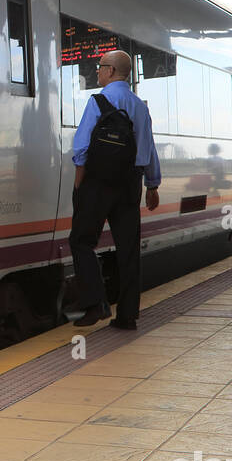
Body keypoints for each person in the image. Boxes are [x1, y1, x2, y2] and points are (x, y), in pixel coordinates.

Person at [69, 49, 162, 330]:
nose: (96, 71)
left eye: (99, 67)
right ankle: (127, 315)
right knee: (128, 249)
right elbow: (148, 147)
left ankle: (95, 304)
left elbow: (82, 146)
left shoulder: (99, 101)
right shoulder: (139, 106)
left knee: (82, 241)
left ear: (110, 71)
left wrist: (79, 183)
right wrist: (152, 185)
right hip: (129, 184)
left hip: (97, 182)